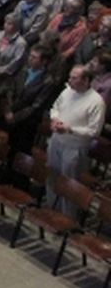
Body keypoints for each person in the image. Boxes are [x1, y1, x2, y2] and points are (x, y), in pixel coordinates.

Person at [46, 65, 106, 217]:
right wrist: (54, 119)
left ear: (86, 80)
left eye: (74, 78)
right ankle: (51, 210)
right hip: (56, 140)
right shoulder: (67, 91)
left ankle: (67, 217)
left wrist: (70, 129)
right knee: (52, 176)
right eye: (70, 77)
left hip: (75, 147)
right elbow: (55, 107)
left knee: (69, 183)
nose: (69, 80)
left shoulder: (96, 102)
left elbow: (94, 131)